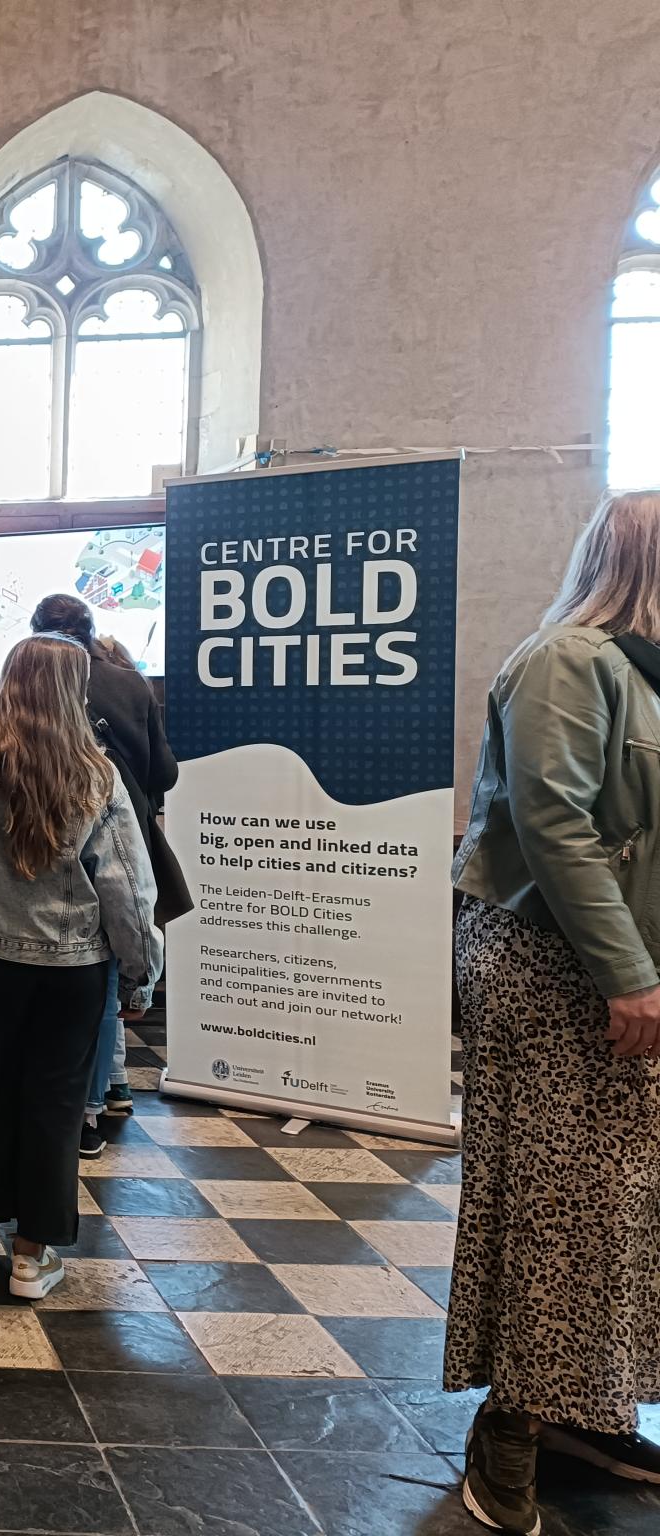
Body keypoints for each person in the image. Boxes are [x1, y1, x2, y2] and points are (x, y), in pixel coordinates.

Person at [446, 490, 660, 1533]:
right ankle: (510, 1428)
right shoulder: (565, 662)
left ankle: (589, 1406)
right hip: (549, 967)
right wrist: (625, 972)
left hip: (629, 970)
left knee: (622, 1211)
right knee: (552, 1208)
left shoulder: (645, 676)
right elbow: (552, 825)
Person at [0, 634, 160, 1302]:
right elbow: (126, 885)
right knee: (57, 1106)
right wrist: (140, 970)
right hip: (74, 966)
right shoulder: (95, 774)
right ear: (75, 691)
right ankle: (31, 1258)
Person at [30, 593, 180, 1155]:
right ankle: (109, 1088)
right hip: (127, 831)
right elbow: (165, 770)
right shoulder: (131, 684)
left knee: (77, 983)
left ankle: (90, 1103)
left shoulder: (29, 687)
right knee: (108, 974)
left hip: (44, 850)